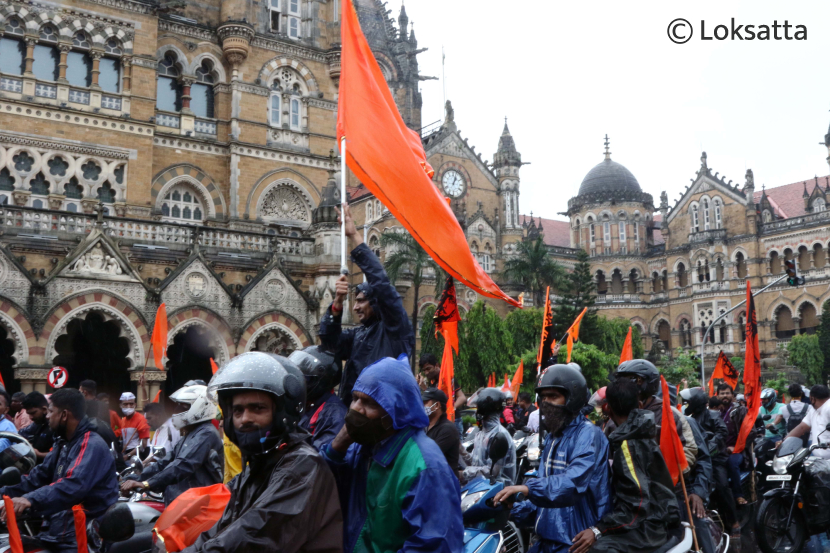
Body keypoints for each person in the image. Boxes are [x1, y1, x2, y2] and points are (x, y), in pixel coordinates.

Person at [181, 352, 343, 552]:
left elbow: (252, 535)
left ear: (282, 412)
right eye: (238, 411)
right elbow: (220, 527)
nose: (245, 419)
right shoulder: (259, 464)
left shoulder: (301, 466)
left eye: (257, 408)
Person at [321, 356, 463, 553]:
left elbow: (434, 546)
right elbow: (319, 493)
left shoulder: (426, 467)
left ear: (396, 409)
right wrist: (336, 447)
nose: (356, 409)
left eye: (369, 403)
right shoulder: (360, 447)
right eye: (354, 399)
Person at [494, 364, 612, 553]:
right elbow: (543, 498)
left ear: (572, 398)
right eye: (544, 397)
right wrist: (511, 507)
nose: (546, 403)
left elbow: (571, 484)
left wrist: (527, 489)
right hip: (547, 540)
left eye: (554, 396)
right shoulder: (553, 437)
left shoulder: (588, 435)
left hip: (575, 542)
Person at [0, 388, 118, 553]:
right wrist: (3, 492)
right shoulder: (63, 443)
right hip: (56, 530)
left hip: (81, 536)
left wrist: (29, 500)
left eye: (50, 411)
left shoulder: (90, 444)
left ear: (64, 415)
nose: (47, 416)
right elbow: (38, 476)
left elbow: (73, 485)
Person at [569, 378, 680, 553]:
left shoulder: (628, 445)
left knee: (591, 549)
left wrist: (598, 530)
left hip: (648, 526)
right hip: (654, 515)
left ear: (608, 409)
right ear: (640, 405)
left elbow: (637, 503)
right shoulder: (640, 431)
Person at [318, 202, 413, 405]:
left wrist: (354, 236)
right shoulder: (359, 334)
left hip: (383, 413)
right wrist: (336, 305)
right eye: (354, 301)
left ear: (376, 302)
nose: (355, 307)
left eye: (361, 301)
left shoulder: (394, 328)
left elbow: (380, 282)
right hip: (355, 414)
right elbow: (329, 342)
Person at [121, 383, 223, 505]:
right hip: (181, 502)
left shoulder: (206, 434)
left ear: (200, 407)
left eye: (184, 406)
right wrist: (135, 478)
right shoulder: (190, 433)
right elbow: (166, 461)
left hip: (197, 505)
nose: (178, 410)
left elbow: (183, 464)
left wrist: (146, 484)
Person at [681, 387, 739, 538]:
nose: (685, 405)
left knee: (722, 486)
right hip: (698, 458)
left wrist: (710, 446)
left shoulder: (711, 415)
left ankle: (734, 522)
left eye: (688, 402)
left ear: (696, 402)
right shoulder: (689, 418)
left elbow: (722, 431)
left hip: (715, 458)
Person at [290, 346, 347, 449]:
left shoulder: (334, 415)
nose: (298, 384)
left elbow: (318, 458)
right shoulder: (304, 404)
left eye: (305, 379)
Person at [462, 387, 517, 484]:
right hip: (480, 486)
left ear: (485, 409)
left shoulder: (499, 434)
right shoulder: (481, 434)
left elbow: (493, 472)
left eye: (478, 408)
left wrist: (463, 474)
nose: (476, 412)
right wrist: (461, 451)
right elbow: (476, 463)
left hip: (498, 491)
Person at [418, 353, 467, 434]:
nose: (426, 373)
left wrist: (451, 409)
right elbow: (435, 399)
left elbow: (462, 397)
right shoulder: (433, 381)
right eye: (424, 370)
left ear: (436, 365)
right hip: (441, 421)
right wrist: (424, 388)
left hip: (453, 420)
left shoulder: (447, 378)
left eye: (428, 369)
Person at [717, 383, 748, 505]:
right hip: (718, 450)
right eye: (722, 393)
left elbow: (749, 432)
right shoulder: (714, 411)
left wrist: (736, 447)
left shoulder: (740, 411)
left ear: (732, 395)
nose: (725, 396)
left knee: (732, 463)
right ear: (717, 395)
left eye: (727, 393)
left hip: (737, 450)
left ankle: (738, 494)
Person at [783, 385, 830, 459]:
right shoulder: (813, 410)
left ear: (812, 398)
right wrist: (784, 442)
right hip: (816, 457)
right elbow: (802, 427)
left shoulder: (828, 408)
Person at [422, 387, 460, 473]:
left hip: (445, 482)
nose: (422, 406)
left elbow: (428, 456)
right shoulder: (424, 426)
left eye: (425, 403)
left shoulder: (447, 429)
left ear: (437, 405)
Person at [19, 392, 53, 464]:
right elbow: (21, 434)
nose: (31, 417)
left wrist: (39, 454)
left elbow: (61, 454)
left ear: (44, 409)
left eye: (33, 413)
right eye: (29, 414)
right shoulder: (37, 424)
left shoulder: (55, 426)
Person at [119, 391, 150, 457]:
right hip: (125, 453)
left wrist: (128, 455)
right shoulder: (122, 420)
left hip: (138, 455)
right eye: (125, 404)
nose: (129, 406)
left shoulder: (141, 419)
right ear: (121, 405)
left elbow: (143, 445)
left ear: (135, 405)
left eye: (131, 404)